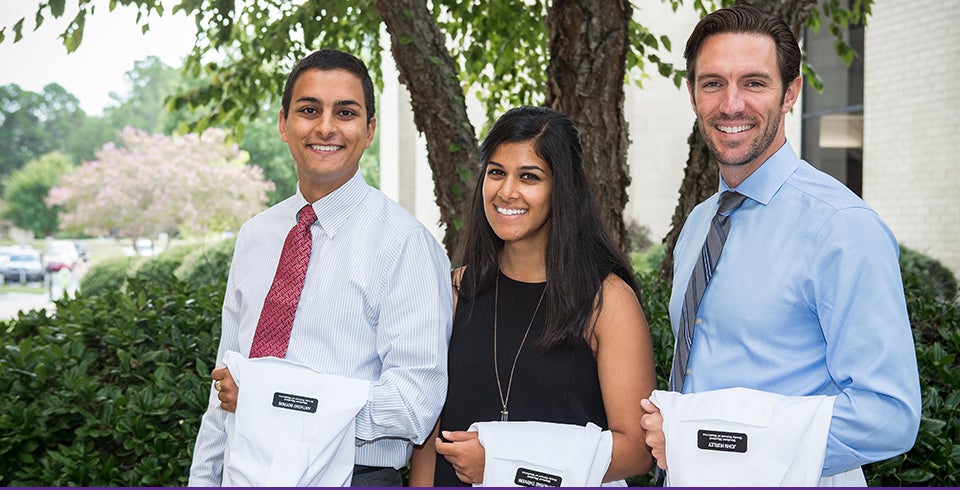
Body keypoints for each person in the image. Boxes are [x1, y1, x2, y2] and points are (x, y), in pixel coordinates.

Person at [640, 3, 921, 483]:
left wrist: (705, 440)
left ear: (790, 93)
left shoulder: (842, 228)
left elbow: (888, 416)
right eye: (713, 83)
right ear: (692, 94)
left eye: (754, 82)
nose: (731, 104)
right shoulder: (699, 224)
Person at [188, 49, 453, 487]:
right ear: (283, 124)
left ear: (369, 131)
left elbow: (414, 404)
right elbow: (226, 384)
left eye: (345, 112)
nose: (326, 127)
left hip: (351, 476)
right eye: (309, 110)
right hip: (242, 472)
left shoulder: (407, 245)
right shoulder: (256, 235)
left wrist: (272, 399)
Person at [407, 106, 657, 486]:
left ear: (563, 188)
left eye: (529, 176)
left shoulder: (606, 301)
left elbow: (637, 450)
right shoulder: (452, 290)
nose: (507, 191)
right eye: (496, 172)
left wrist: (506, 463)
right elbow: (428, 433)